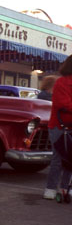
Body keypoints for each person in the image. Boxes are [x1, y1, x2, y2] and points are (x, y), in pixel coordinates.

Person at [43, 56, 72, 199]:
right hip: (59, 126)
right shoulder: (61, 83)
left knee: (69, 159)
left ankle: (64, 188)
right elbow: (63, 104)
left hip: (62, 125)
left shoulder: (61, 83)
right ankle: (51, 188)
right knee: (58, 158)